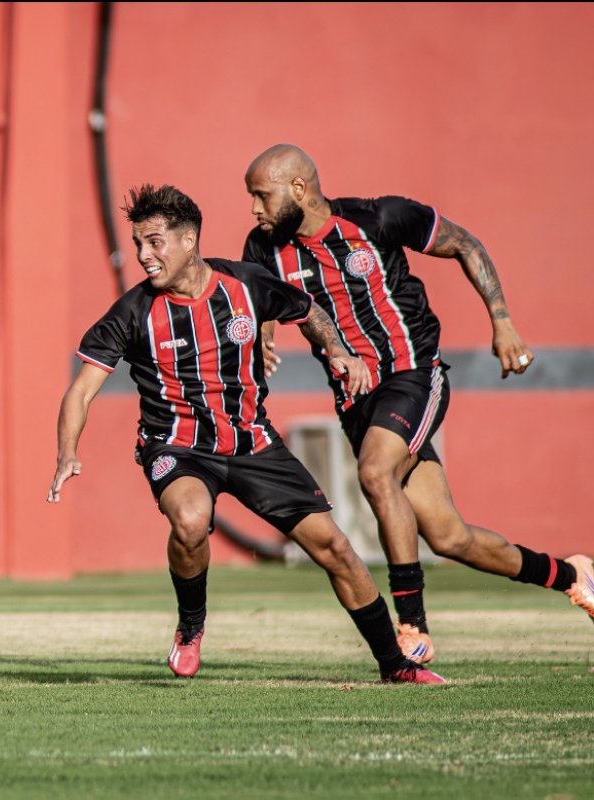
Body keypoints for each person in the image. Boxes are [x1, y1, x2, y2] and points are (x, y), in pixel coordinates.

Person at [48, 182, 444, 684]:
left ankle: (395, 666)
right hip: (178, 447)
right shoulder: (132, 313)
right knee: (191, 520)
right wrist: (67, 453)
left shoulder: (245, 284)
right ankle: (191, 628)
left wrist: (339, 352)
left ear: (189, 241)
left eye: (154, 242)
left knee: (336, 549)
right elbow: (80, 392)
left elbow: (308, 311)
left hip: (254, 443)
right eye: (139, 245)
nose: (144, 256)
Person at [242, 144, 594, 664]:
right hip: (357, 402)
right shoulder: (263, 245)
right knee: (450, 538)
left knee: (375, 474)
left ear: (298, 188)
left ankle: (411, 625)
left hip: (413, 376)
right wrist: (264, 339)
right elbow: (266, 301)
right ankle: (573, 573)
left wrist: (502, 321)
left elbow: (466, 245)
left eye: (261, 196)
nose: (254, 209)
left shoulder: (378, 217)